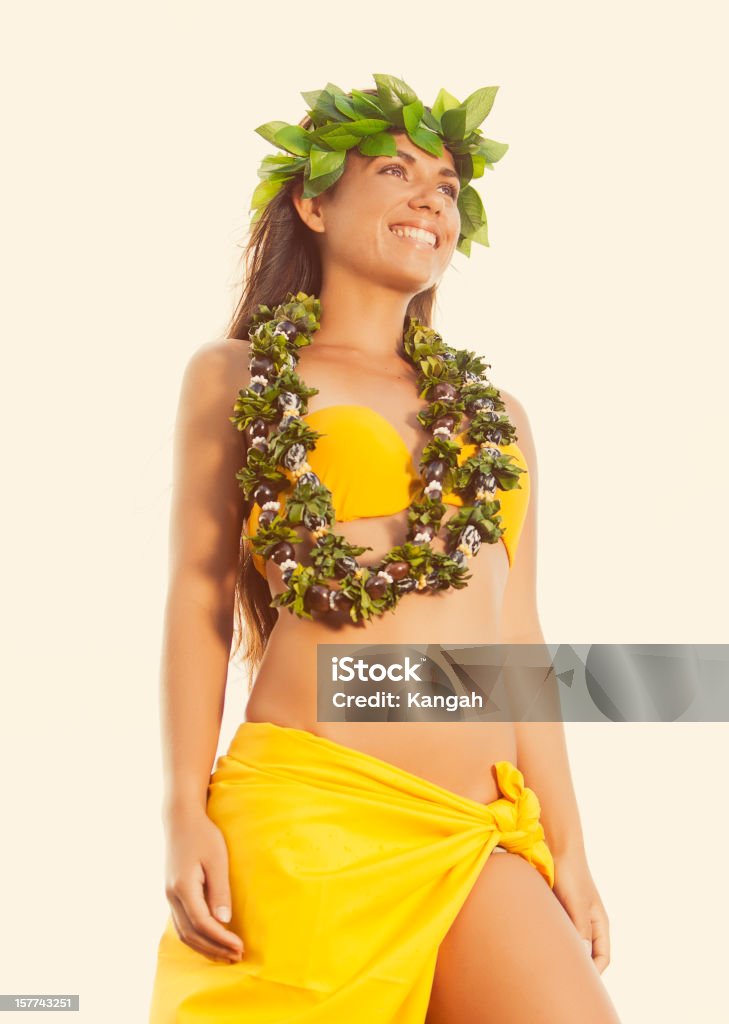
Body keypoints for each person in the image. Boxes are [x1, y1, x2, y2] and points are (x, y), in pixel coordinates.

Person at [148, 76, 622, 1023]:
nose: (429, 199)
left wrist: (568, 845)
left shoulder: (497, 419)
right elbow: (198, 597)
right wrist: (182, 809)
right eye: (395, 171)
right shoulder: (241, 376)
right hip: (310, 812)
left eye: (446, 187)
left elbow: (516, 639)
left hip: (472, 827)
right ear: (314, 204)